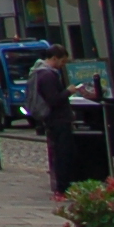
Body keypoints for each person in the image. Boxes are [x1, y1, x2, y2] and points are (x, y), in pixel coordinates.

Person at [31, 45, 74, 194]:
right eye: (62, 61)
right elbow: (54, 99)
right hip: (58, 120)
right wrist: (68, 91)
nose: (63, 65)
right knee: (62, 153)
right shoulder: (48, 75)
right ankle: (62, 187)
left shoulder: (43, 73)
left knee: (60, 153)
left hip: (55, 120)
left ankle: (62, 186)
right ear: (54, 58)